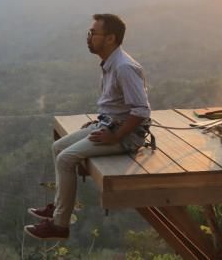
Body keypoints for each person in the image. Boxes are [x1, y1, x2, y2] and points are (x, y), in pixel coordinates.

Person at [24, 13, 151, 240]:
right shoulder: (111, 63)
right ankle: (59, 206)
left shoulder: (124, 67)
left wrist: (116, 136)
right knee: (58, 148)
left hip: (126, 135)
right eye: (89, 33)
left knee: (66, 158)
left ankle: (60, 225)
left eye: (93, 33)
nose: (89, 37)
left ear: (110, 38)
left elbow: (141, 111)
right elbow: (117, 106)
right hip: (108, 125)